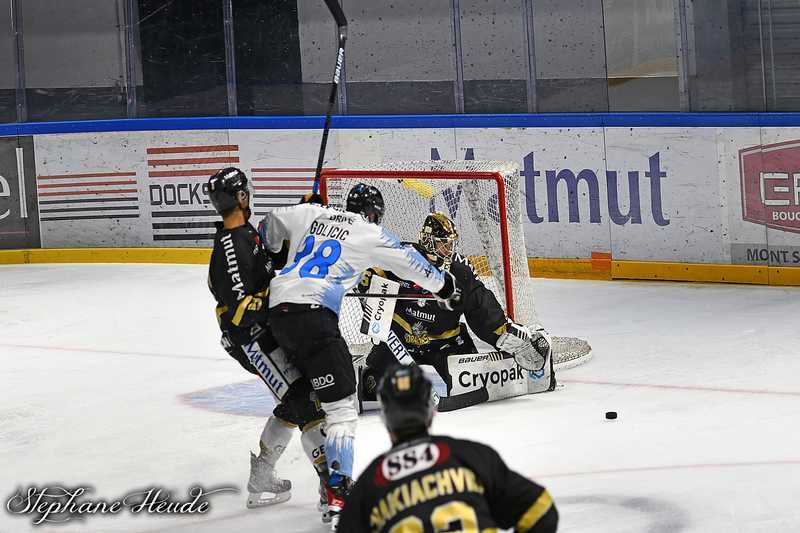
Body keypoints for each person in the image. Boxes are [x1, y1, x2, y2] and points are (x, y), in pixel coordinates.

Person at [261, 184, 462, 530]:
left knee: (303, 399)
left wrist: (281, 251)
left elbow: (268, 226)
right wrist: (444, 286)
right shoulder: (368, 231)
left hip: (276, 314)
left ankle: (263, 474)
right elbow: (411, 263)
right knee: (341, 409)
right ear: (374, 214)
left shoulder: (313, 212)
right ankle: (338, 495)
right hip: (314, 316)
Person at [206, 167, 330, 518]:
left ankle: (261, 476)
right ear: (241, 196)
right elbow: (243, 310)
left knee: (294, 404)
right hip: (254, 340)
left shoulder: (244, 234)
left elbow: (271, 264)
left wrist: (306, 214)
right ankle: (332, 487)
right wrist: (288, 292)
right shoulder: (231, 245)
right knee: (305, 401)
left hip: (267, 334)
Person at [338, 364, 558, 532]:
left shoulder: (370, 484)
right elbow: (541, 508)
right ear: (431, 411)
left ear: (384, 417)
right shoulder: (472, 456)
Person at [358, 211, 552, 401]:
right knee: (373, 386)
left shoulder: (460, 271)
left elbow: (480, 306)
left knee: (471, 384)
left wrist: (502, 332)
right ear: (429, 242)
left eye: (451, 245)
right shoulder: (400, 258)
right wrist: (365, 282)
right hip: (401, 343)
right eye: (444, 244)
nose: (449, 250)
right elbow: (370, 272)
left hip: (446, 344)